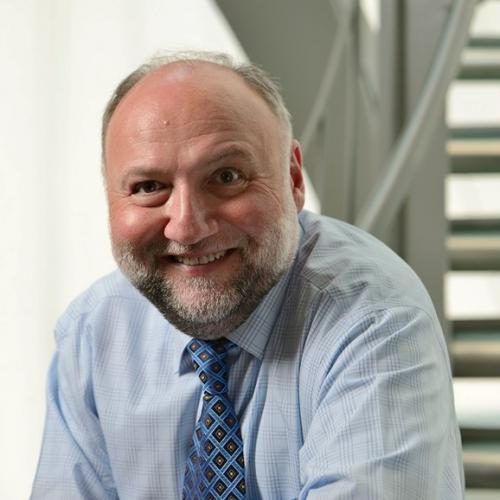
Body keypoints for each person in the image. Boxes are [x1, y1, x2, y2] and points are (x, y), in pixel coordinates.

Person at [31, 51, 464, 499]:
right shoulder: (94, 333)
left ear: (294, 180)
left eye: (226, 176)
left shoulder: (375, 319)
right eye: (149, 187)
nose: (187, 227)